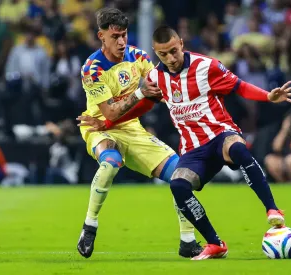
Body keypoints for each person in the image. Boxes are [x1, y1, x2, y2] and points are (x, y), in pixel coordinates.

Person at [78, 25, 291, 260]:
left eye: (174, 51)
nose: (170, 58)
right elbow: (143, 105)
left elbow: (238, 86)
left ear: (181, 43)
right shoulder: (156, 77)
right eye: (163, 54)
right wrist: (108, 125)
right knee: (178, 185)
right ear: (156, 53)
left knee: (238, 148)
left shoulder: (207, 66)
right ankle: (214, 244)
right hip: (193, 148)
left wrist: (267, 96)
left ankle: (272, 209)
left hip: (220, 134)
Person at [75, 8, 201, 259]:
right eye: (115, 37)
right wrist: (142, 93)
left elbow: (161, 86)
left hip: (133, 129)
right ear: (101, 36)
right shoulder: (92, 68)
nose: (121, 41)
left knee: (181, 176)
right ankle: (90, 226)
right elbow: (110, 114)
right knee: (111, 163)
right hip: (99, 127)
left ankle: (188, 241)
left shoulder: (138, 57)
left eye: (124, 35)